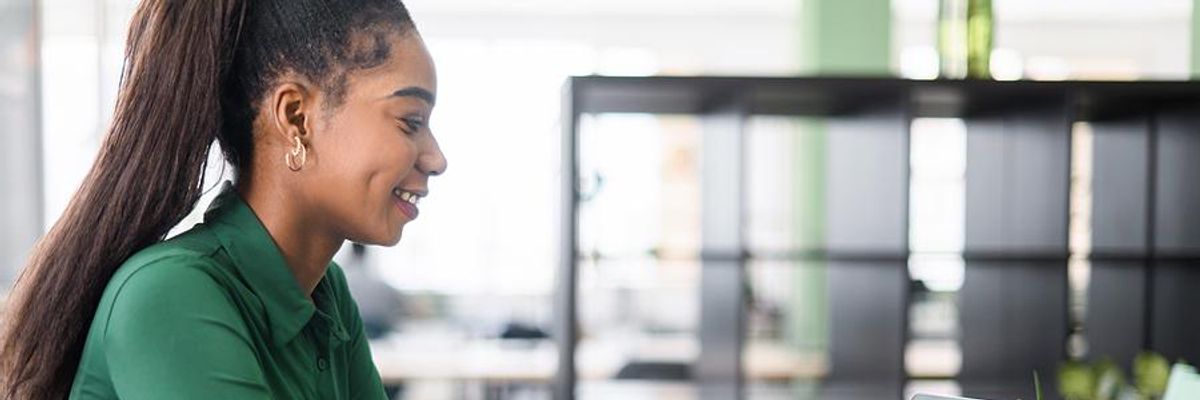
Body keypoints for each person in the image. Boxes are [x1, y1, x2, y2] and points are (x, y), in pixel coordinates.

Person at [0, 0, 446, 398]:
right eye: (410, 121)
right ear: (296, 116)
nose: (436, 158)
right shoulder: (170, 295)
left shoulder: (327, 298)